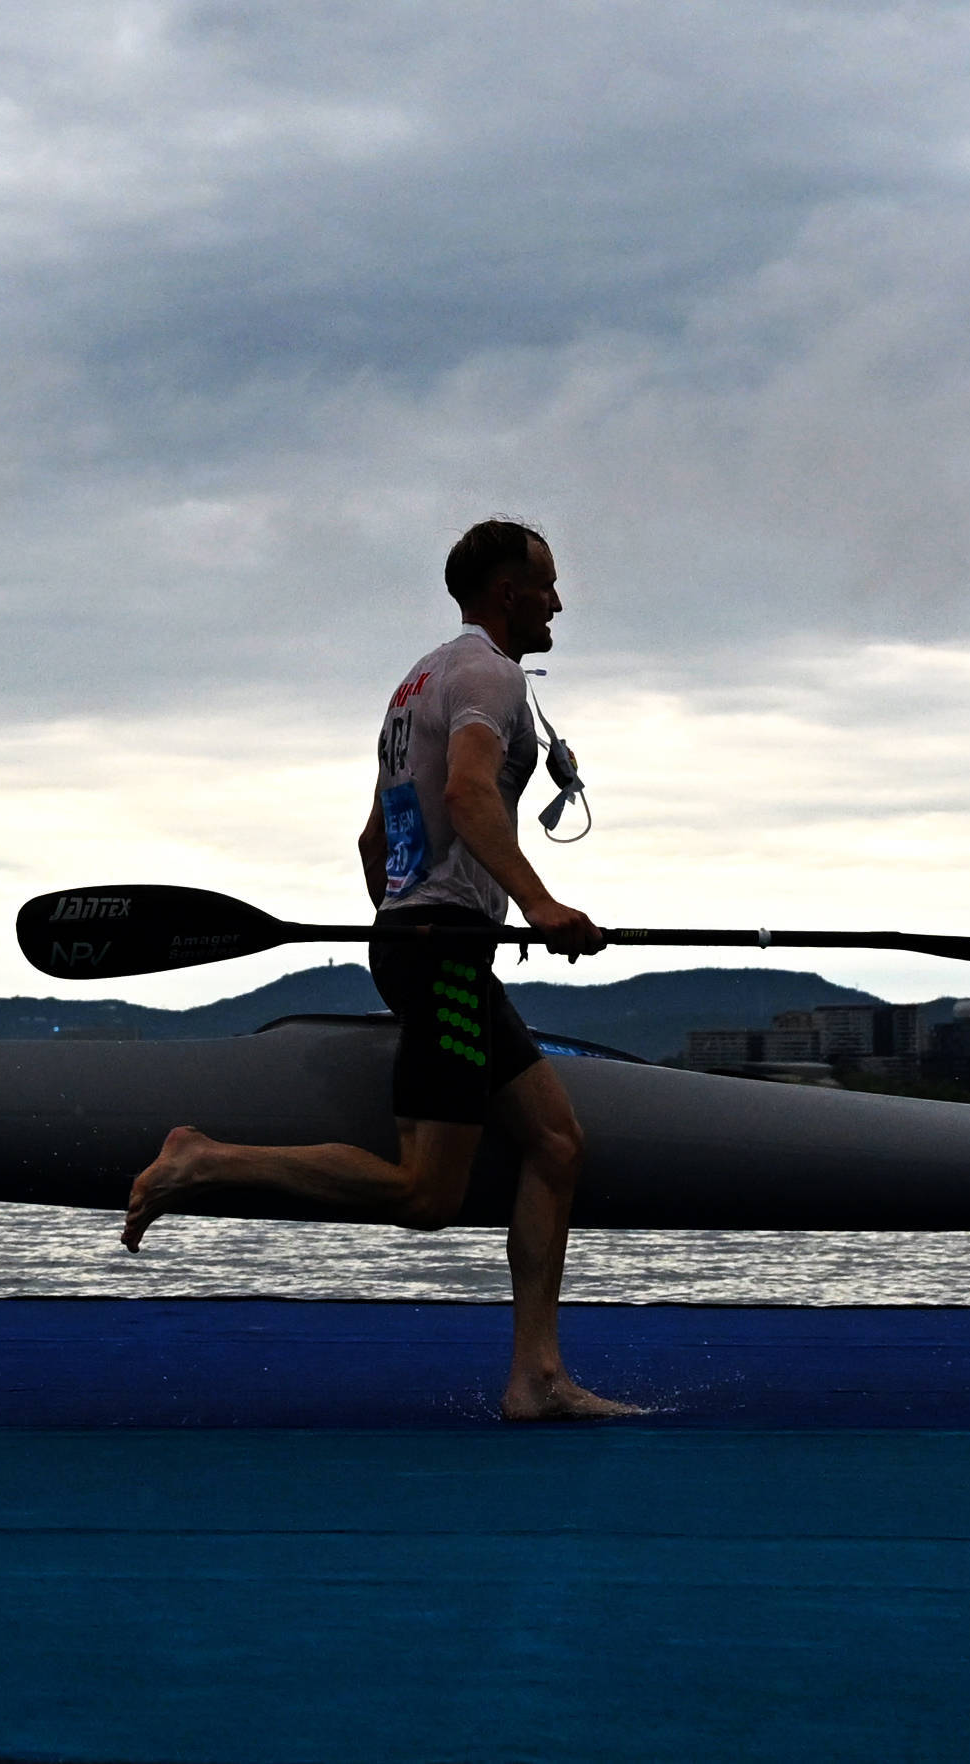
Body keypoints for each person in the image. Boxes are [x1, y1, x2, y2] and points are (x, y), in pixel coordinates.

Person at [123, 519, 639, 1421]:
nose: (558, 601)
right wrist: (538, 906)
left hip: (428, 941)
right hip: (439, 949)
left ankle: (537, 1377)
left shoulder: (414, 686)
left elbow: (376, 839)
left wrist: (405, 913)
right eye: (547, 585)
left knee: (555, 1145)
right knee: (425, 1192)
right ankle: (204, 1161)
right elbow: (466, 793)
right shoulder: (489, 676)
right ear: (506, 592)